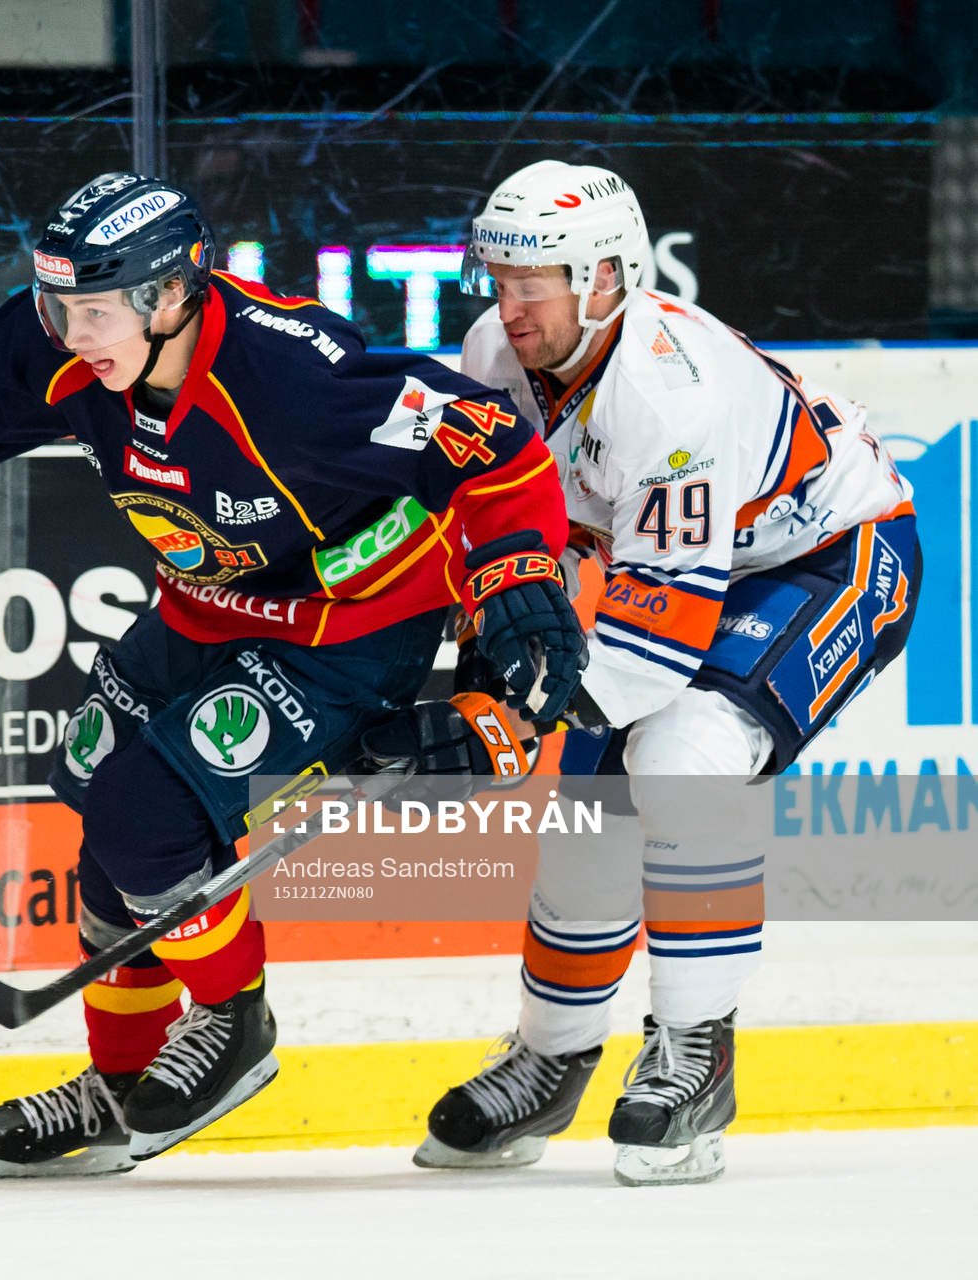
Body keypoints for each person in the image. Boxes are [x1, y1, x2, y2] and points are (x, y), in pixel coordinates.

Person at [0, 171, 583, 1178]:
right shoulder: (54, 348)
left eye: (95, 309)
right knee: (99, 792)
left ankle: (230, 1019)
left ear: (171, 294)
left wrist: (515, 573)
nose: (72, 331)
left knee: (147, 815)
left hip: (347, 628)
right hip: (203, 606)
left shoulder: (289, 376)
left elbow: (494, 443)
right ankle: (119, 1082)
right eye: (59, 305)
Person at [413, 159, 920, 1185]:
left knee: (683, 755)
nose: (509, 306)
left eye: (535, 281)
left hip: (823, 557)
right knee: (591, 817)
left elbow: (652, 654)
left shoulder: (669, 392)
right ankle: (551, 1055)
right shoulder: (489, 355)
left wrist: (495, 719)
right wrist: (467, 681)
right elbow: (499, 541)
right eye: (500, 279)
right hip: (678, 567)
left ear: (607, 278)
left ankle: (697, 1052)